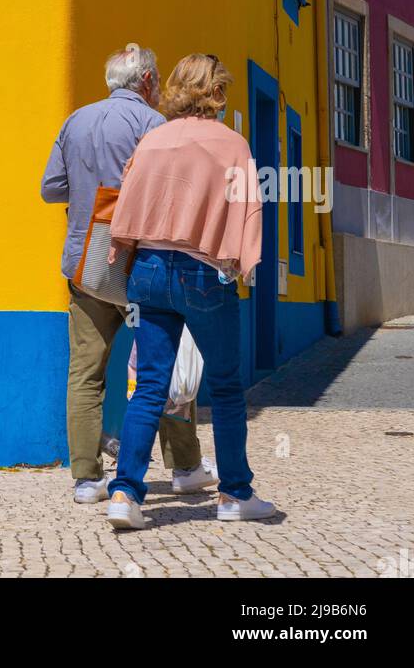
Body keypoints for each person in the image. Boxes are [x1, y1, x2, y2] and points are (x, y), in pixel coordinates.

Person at [105, 53, 277, 530]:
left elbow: (128, 198)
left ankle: (124, 494)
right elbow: (248, 208)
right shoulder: (232, 144)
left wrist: (125, 248)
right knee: (224, 386)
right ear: (217, 93)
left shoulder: (152, 139)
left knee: (150, 385)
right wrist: (244, 263)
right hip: (203, 272)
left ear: (177, 87)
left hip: (148, 269)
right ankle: (234, 494)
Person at [41, 44, 217, 504]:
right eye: (156, 80)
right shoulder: (152, 125)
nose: (159, 88)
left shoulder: (74, 120)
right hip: (142, 264)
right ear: (145, 82)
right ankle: (183, 466)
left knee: (85, 372)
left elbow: (50, 189)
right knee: (159, 366)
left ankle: (85, 478)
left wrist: (89, 194)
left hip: (86, 265)